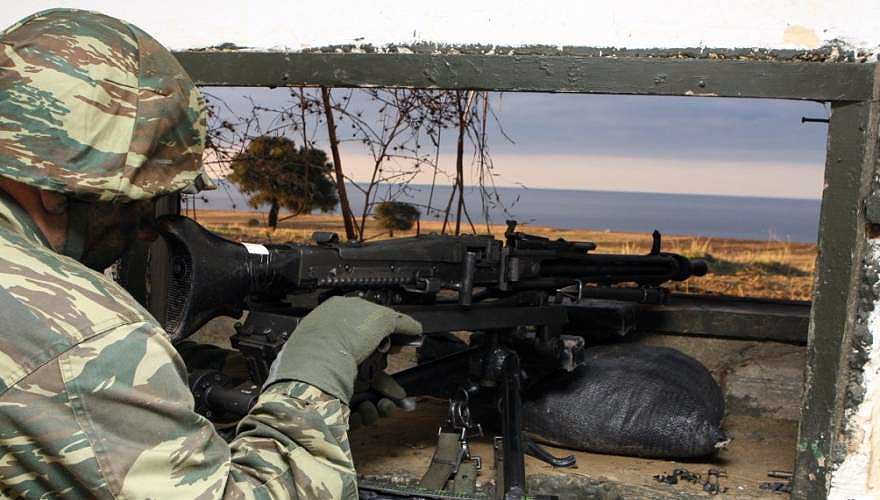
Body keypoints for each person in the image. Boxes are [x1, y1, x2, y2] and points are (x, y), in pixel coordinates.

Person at [0, 9, 421, 498]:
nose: (147, 231)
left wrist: (234, 380)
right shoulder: (79, 336)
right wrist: (316, 372)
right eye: (143, 200)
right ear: (54, 191)